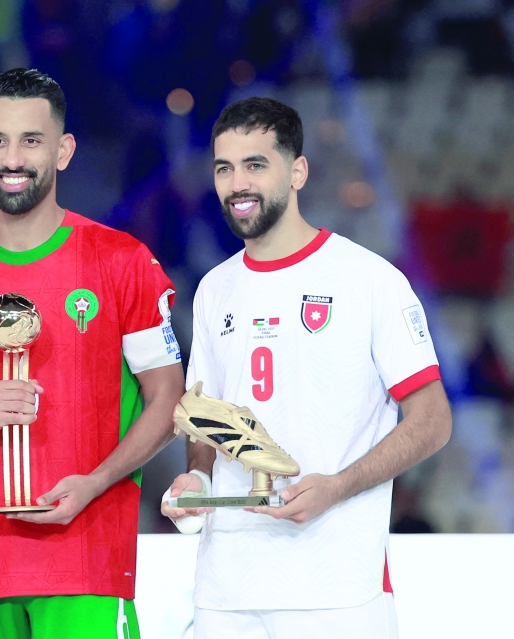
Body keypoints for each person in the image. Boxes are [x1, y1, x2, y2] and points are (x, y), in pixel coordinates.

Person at [0, 67, 184, 639]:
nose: (13, 158)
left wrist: (95, 483)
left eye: (31, 140)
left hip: (86, 564)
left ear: (64, 150)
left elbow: (167, 400)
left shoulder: (123, 263)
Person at [161, 97, 452, 638]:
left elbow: (432, 419)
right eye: (224, 168)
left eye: (255, 164)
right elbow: (207, 414)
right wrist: (197, 476)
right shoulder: (213, 289)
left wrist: (338, 486)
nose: (237, 183)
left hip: (337, 588)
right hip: (227, 589)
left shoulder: (368, 279)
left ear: (297, 171)